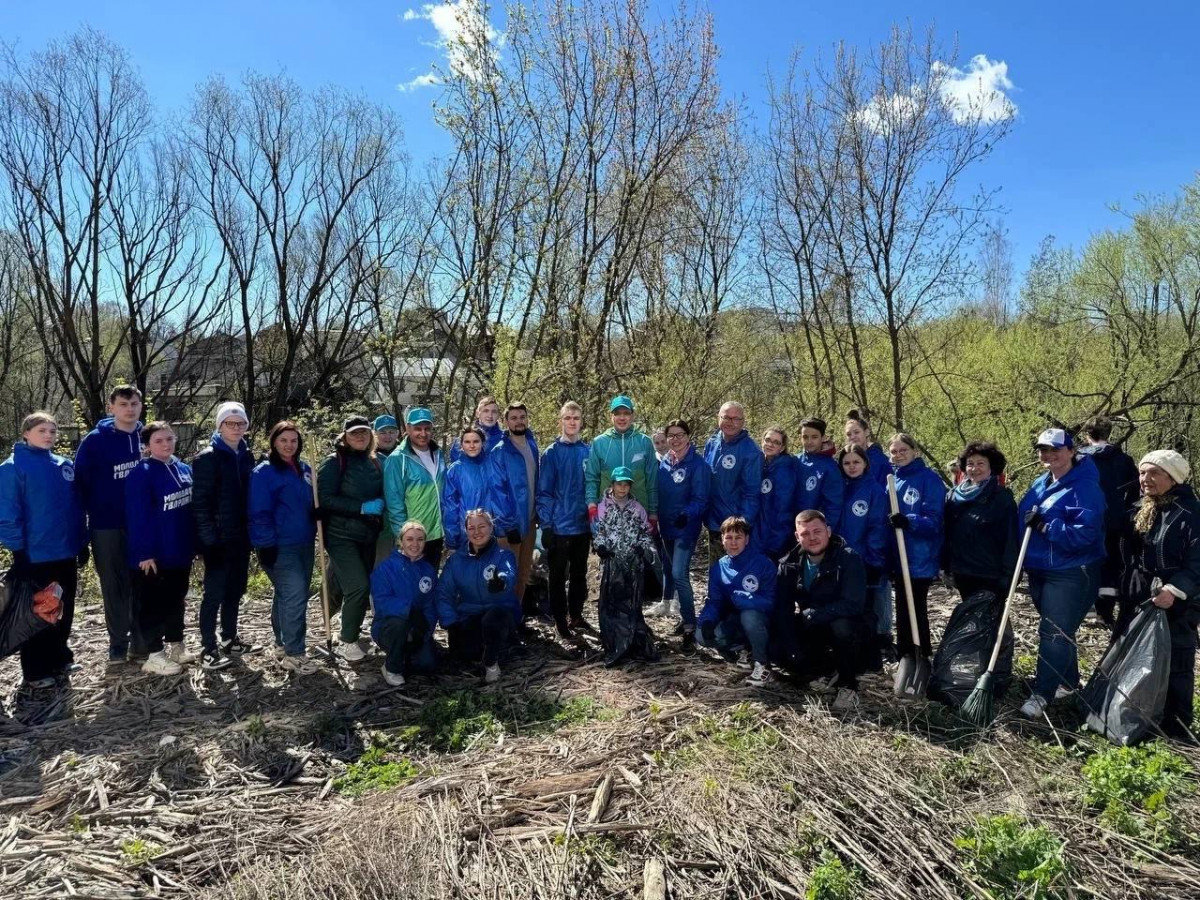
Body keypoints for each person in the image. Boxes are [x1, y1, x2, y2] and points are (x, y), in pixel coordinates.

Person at [1016, 427, 1106, 718]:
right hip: (1040, 568)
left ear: (1071, 451)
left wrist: (1045, 525)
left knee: (1052, 633)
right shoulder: (1042, 483)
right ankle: (1067, 683)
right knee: (1059, 630)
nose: (1048, 455)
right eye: (1043, 450)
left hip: (1071, 572)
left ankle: (1042, 694)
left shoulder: (1084, 487)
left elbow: (1084, 536)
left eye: (1055, 449)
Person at [1117, 450, 1200, 741]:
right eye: (1142, 472)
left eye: (1154, 473)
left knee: (1176, 662)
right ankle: (1131, 717)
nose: (1145, 479)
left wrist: (1174, 589)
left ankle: (1178, 729)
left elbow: (1197, 562)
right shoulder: (1142, 508)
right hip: (1139, 593)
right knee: (1133, 654)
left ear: (1173, 477)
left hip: (1178, 600)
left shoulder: (1191, 513)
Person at [0, 412, 86, 688]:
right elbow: (7, 513)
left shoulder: (63, 464)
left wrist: (81, 542)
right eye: (41, 431)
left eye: (52, 430)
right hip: (36, 554)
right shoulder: (12, 467)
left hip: (65, 550)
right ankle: (35, 670)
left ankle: (59, 657)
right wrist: (17, 550)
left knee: (64, 607)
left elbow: (75, 509)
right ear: (26, 433)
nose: (48, 435)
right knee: (39, 612)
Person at [74, 385, 144, 664]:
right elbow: (79, 485)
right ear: (111, 407)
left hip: (143, 525)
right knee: (113, 585)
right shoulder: (94, 441)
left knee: (142, 583)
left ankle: (142, 642)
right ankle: (118, 643)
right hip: (106, 525)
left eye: (135, 403)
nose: (130, 409)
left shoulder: (148, 437)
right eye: (124, 404)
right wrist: (82, 529)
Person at [777, 510, 871, 710]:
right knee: (776, 644)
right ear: (797, 536)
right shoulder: (789, 563)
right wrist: (792, 650)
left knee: (842, 626)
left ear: (828, 531)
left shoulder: (848, 558)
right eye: (805, 534)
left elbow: (853, 604)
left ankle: (848, 685)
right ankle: (822, 671)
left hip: (848, 625)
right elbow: (782, 609)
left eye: (817, 531)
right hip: (812, 626)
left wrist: (815, 615)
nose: (812, 538)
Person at [124, 422, 195, 677]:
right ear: (147, 446)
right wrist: (144, 552)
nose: (166, 444)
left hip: (180, 551)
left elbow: (190, 511)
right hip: (153, 556)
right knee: (152, 604)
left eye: (169, 439)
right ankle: (153, 655)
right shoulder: (141, 473)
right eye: (159, 441)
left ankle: (176, 645)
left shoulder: (184, 469)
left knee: (176, 600)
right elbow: (137, 516)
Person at [249, 421, 318, 675]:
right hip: (279, 546)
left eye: (293, 441)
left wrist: (317, 513)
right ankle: (295, 653)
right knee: (295, 596)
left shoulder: (305, 469)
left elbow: (310, 501)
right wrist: (265, 544)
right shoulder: (264, 473)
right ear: (274, 442)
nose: (289, 445)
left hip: (304, 543)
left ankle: (281, 643)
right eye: (283, 440)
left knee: (285, 595)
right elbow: (259, 512)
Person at [191, 401, 256, 670]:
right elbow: (201, 503)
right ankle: (208, 647)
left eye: (241, 423)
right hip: (217, 539)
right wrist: (209, 541)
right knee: (214, 594)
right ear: (220, 426)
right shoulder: (207, 457)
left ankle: (229, 637)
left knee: (235, 590)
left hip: (241, 537)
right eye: (231, 423)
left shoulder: (247, 455)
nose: (237, 428)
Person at [318, 416, 386, 662]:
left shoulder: (375, 462)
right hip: (340, 536)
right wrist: (361, 507)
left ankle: (340, 619)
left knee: (353, 584)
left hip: (367, 535)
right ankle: (348, 640)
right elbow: (323, 499)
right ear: (344, 437)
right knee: (358, 587)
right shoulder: (334, 463)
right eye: (355, 433)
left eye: (365, 433)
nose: (360, 437)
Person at [436, 509, 520, 683]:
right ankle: (486, 648)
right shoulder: (456, 561)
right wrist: (451, 621)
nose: (477, 532)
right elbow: (443, 592)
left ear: (491, 528)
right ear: (466, 531)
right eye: (471, 527)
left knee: (494, 619)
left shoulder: (503, 555)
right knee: (468, 655)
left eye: (482, 526)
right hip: (471, 613)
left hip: (499, 612)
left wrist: (501, 582)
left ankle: (492, 663)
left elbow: (509, 573)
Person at [885, 433, 945, 668]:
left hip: (919, 556)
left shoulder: (929, 480)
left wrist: (909, 521)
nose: (898, 455)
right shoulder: (894, 480)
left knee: (915, 608)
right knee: (902, 608)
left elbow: (934, 521)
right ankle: (905, 656)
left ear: (914, 451)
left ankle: (921, 656)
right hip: (898, 556)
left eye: (903, 450)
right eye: (894, 451)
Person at [650, 419, 711, 650]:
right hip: (665, 528)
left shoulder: (698, 465)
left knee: (679, 573)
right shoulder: (665, 462)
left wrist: (687, 513)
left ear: (688, 436)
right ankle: (686, 617)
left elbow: (701, 498)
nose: (675, 439)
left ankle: (689, 626)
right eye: (671, 435)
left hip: (685, 528)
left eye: (680, 435)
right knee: (675, 574)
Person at [698, 515, 778, 686]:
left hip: (761, 620)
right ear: (722, 539)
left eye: (738, 537)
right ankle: (744, 649)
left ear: (747, 540)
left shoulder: (763, 563)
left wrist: (746, 599)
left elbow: (771, 602)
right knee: (701, 636)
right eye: (729, 537)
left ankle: (763, 665)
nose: (733, 542)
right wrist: (707, 621)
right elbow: (715, 600)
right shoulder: (718, 567)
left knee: (749, 616)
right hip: (734, 620)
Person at [536, 402, 592, 637]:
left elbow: (594, 488)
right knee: (558, 577)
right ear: (560, 421)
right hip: (559, 527)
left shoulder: (589, 451)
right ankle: (560, 621)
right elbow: (544, 492)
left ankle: (576, 615)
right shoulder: (551, 453)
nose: (572, 422)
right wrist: (546, 525)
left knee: (580, 574)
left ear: (581, 421)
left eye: (576, 418)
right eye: (567, 418)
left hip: (582, 525)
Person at [593, 467, 658, 666]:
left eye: (626, 484)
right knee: (611, 604)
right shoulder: (603, 507)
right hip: (612, 563)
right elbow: (598, 531)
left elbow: (647, 533)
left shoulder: (637, 508)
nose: (623, 488)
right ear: (612, 485)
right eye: (619, 483)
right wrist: (600, 546)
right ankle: (614, 644)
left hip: (633, 564)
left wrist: (642, 548)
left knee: (632, 604)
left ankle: (633, 643)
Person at [1079, 416, 1140, 627]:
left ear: (1087, 435)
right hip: (1114, 520)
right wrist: (1126, 512)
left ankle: (1086, 610)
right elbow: (1135, 490)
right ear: (1109, 433)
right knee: (1111, 565)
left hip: (1084, 520)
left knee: (1085, 562)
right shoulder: (1123, 460)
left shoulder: (1079, 459)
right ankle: (1105, 612)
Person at [942, 441, 1019, 601]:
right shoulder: (953, 496)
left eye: (981, 463)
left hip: (990, 573)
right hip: (962, 571)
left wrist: (1010, 575)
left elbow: (1011, 539)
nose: (974, 468)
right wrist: (945, 566)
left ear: (992, 467)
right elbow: (946, 532)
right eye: (970, 464)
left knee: (992, 619)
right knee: (971, 618)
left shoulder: (1001, 498)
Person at [371, 520, 439, 686]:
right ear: (401, 541)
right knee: (400, 625)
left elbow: (431, 604)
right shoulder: (386, 568)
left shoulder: (428, 570)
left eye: (420, 539)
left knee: (427, 664)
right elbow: (381, 602)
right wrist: (409, 610)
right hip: (389, 627)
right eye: (409, 539)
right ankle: (391, 667)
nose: (415, 544)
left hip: (417, 627)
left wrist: (426, 629)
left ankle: (406, 653)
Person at [838, 445, 890, 661]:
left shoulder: (874, 490)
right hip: (841, 558)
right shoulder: (840, 487)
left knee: (866, 609)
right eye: (847, 463)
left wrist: (873, 560)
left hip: (863, 559)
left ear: (865, 464)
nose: (851, 467)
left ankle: (872, 655)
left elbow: (877, 528)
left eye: (856, 462)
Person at [489, 402, 540, 610]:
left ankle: (515, 618)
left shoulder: (532, 444)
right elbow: (497, 491)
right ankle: (502, 623)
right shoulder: (500, 451)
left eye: (522, 417)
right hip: (510, 526)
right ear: (506, 422)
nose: (519, 421)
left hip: (529, 521)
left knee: (523, 574)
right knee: (507, 574)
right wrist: (507, 524)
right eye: (514, 418)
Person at [383, 407, 446, 568]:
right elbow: (394, 503)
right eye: (418, 429)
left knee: (430, 582)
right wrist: (404, 538)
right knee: (411, 586)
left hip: (437, 533)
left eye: (427, 428)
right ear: (407, 429)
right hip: (415, 538)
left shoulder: (438, 453)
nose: (423, 433)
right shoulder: (397, 459)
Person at [585, 395, 659, 528]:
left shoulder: (644, 442)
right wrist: (591, 505)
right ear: (611, 416)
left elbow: (652, 480)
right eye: (617, 413)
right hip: (607, 515)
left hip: (639, 514)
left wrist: (653, 512)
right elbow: (592, 478)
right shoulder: (599, 443)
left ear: (633, 415)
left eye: (626, 413)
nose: (622, 417)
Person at [702, 401, 762, 561]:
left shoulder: (751, 451)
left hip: (734, 527)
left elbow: (752, 492)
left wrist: (743, 523)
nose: (730, 422)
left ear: (743, 422)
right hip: (714, 522)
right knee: (716, 572)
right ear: (718, 418)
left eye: (736, 419)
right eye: (726, 417)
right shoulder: (712, 442)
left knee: (736, 574)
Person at [442, 426, 492, 554]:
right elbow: (450, 506)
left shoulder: (492, 464)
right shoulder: (455, 470)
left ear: (483, 443)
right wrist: (452, 538)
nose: (472, 446)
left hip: (492, 531)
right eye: (467, 442)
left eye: (476, 441)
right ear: (461, 445)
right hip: (466, 532)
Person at [754, 427, 799, 561]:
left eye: (776, 442)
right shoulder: (761, 465)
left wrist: (777, 541)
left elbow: (783, 509)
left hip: (773, 538)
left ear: (782, 447)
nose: (770, 444)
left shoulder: (784, 470)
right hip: (758, 533)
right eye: (767, 440)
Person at [795, 418, 844, 533]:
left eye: (814, 437)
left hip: (814, 532)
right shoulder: (795, 461)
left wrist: (824, 532)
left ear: (823, 438)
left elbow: (834, 506)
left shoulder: (830, 468)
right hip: (791, 528)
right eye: (805, 437)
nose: (809, 441)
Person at [372, 414, 401, 565]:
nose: (387, 436)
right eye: (383, 432)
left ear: (398, 433)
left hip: (403, 522)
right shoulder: (369, 458)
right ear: (375, 434)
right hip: (379, 525)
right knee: (381, 567)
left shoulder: (405, 456)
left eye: (391, 431)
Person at [844, 409, 891, 487]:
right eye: (849, 434)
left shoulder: (880, 460)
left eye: (856, 432)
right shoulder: (844, 462)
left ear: (866, 432)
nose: (852, 437)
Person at [449, 396, 504, 463]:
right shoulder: (460, 442)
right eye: (486, 411)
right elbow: (455, 469)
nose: (490, 415)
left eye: (494, 412)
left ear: (498, 415)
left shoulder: (506, 439)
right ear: (477, 413)